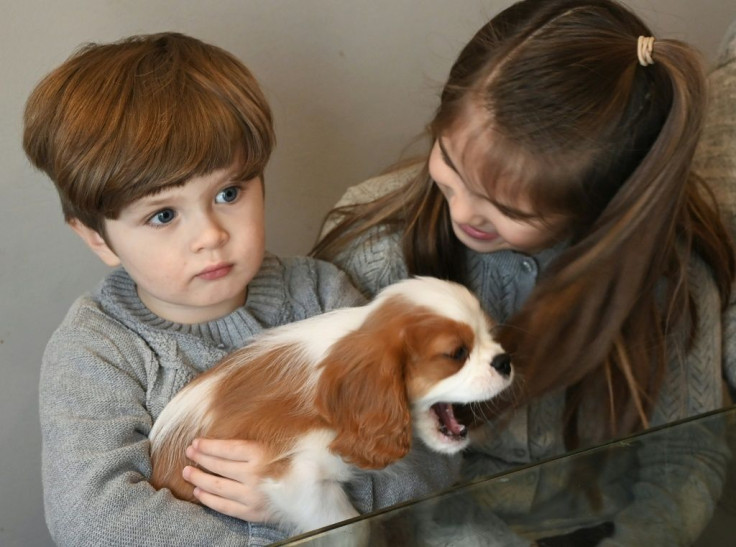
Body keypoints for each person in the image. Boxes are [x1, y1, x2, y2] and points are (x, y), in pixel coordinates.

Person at [313, 0, 736, 543]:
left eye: (509, 212)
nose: (462, 211)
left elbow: (685, 455)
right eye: (448, 162)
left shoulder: (670, 276)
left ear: (601, 210)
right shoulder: (372, 253)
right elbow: (364, 461)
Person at [23, 32, 457, 546]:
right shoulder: (95, 350)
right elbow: (93, 521)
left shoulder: (320, 295)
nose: (210, 235)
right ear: (98, 237)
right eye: (163, 214)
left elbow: (432, 461)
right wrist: (263, 533)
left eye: (229, 192)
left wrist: (311, 501)